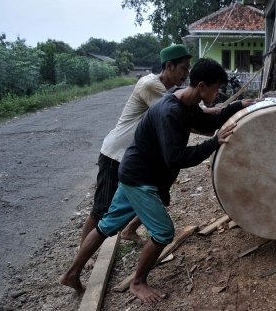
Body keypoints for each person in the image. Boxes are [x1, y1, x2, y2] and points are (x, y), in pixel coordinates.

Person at [60, 58, 259, 303]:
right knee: (163, 232)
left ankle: (70, 274)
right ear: (202, 85)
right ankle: (137, 283)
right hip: (140, 178)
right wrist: (213, 143)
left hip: (133, 169)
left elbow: (206, 122)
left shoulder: (183, 98)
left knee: (106, 225)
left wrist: (236, 106)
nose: (218, 94)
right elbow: (175, 158)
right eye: (216, 88)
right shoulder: (171, 112)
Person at [80, 44, 202, 268]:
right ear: (168, 66)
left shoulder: (169, 91)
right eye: (183, 68)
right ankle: (84, 252)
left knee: (153, 196)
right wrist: (217, 120)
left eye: (188, 69)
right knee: (101, 209)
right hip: (116, 154)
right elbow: (185, 119)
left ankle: (129, 230)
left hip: (138, 157)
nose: (187, 73)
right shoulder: (151, 85)